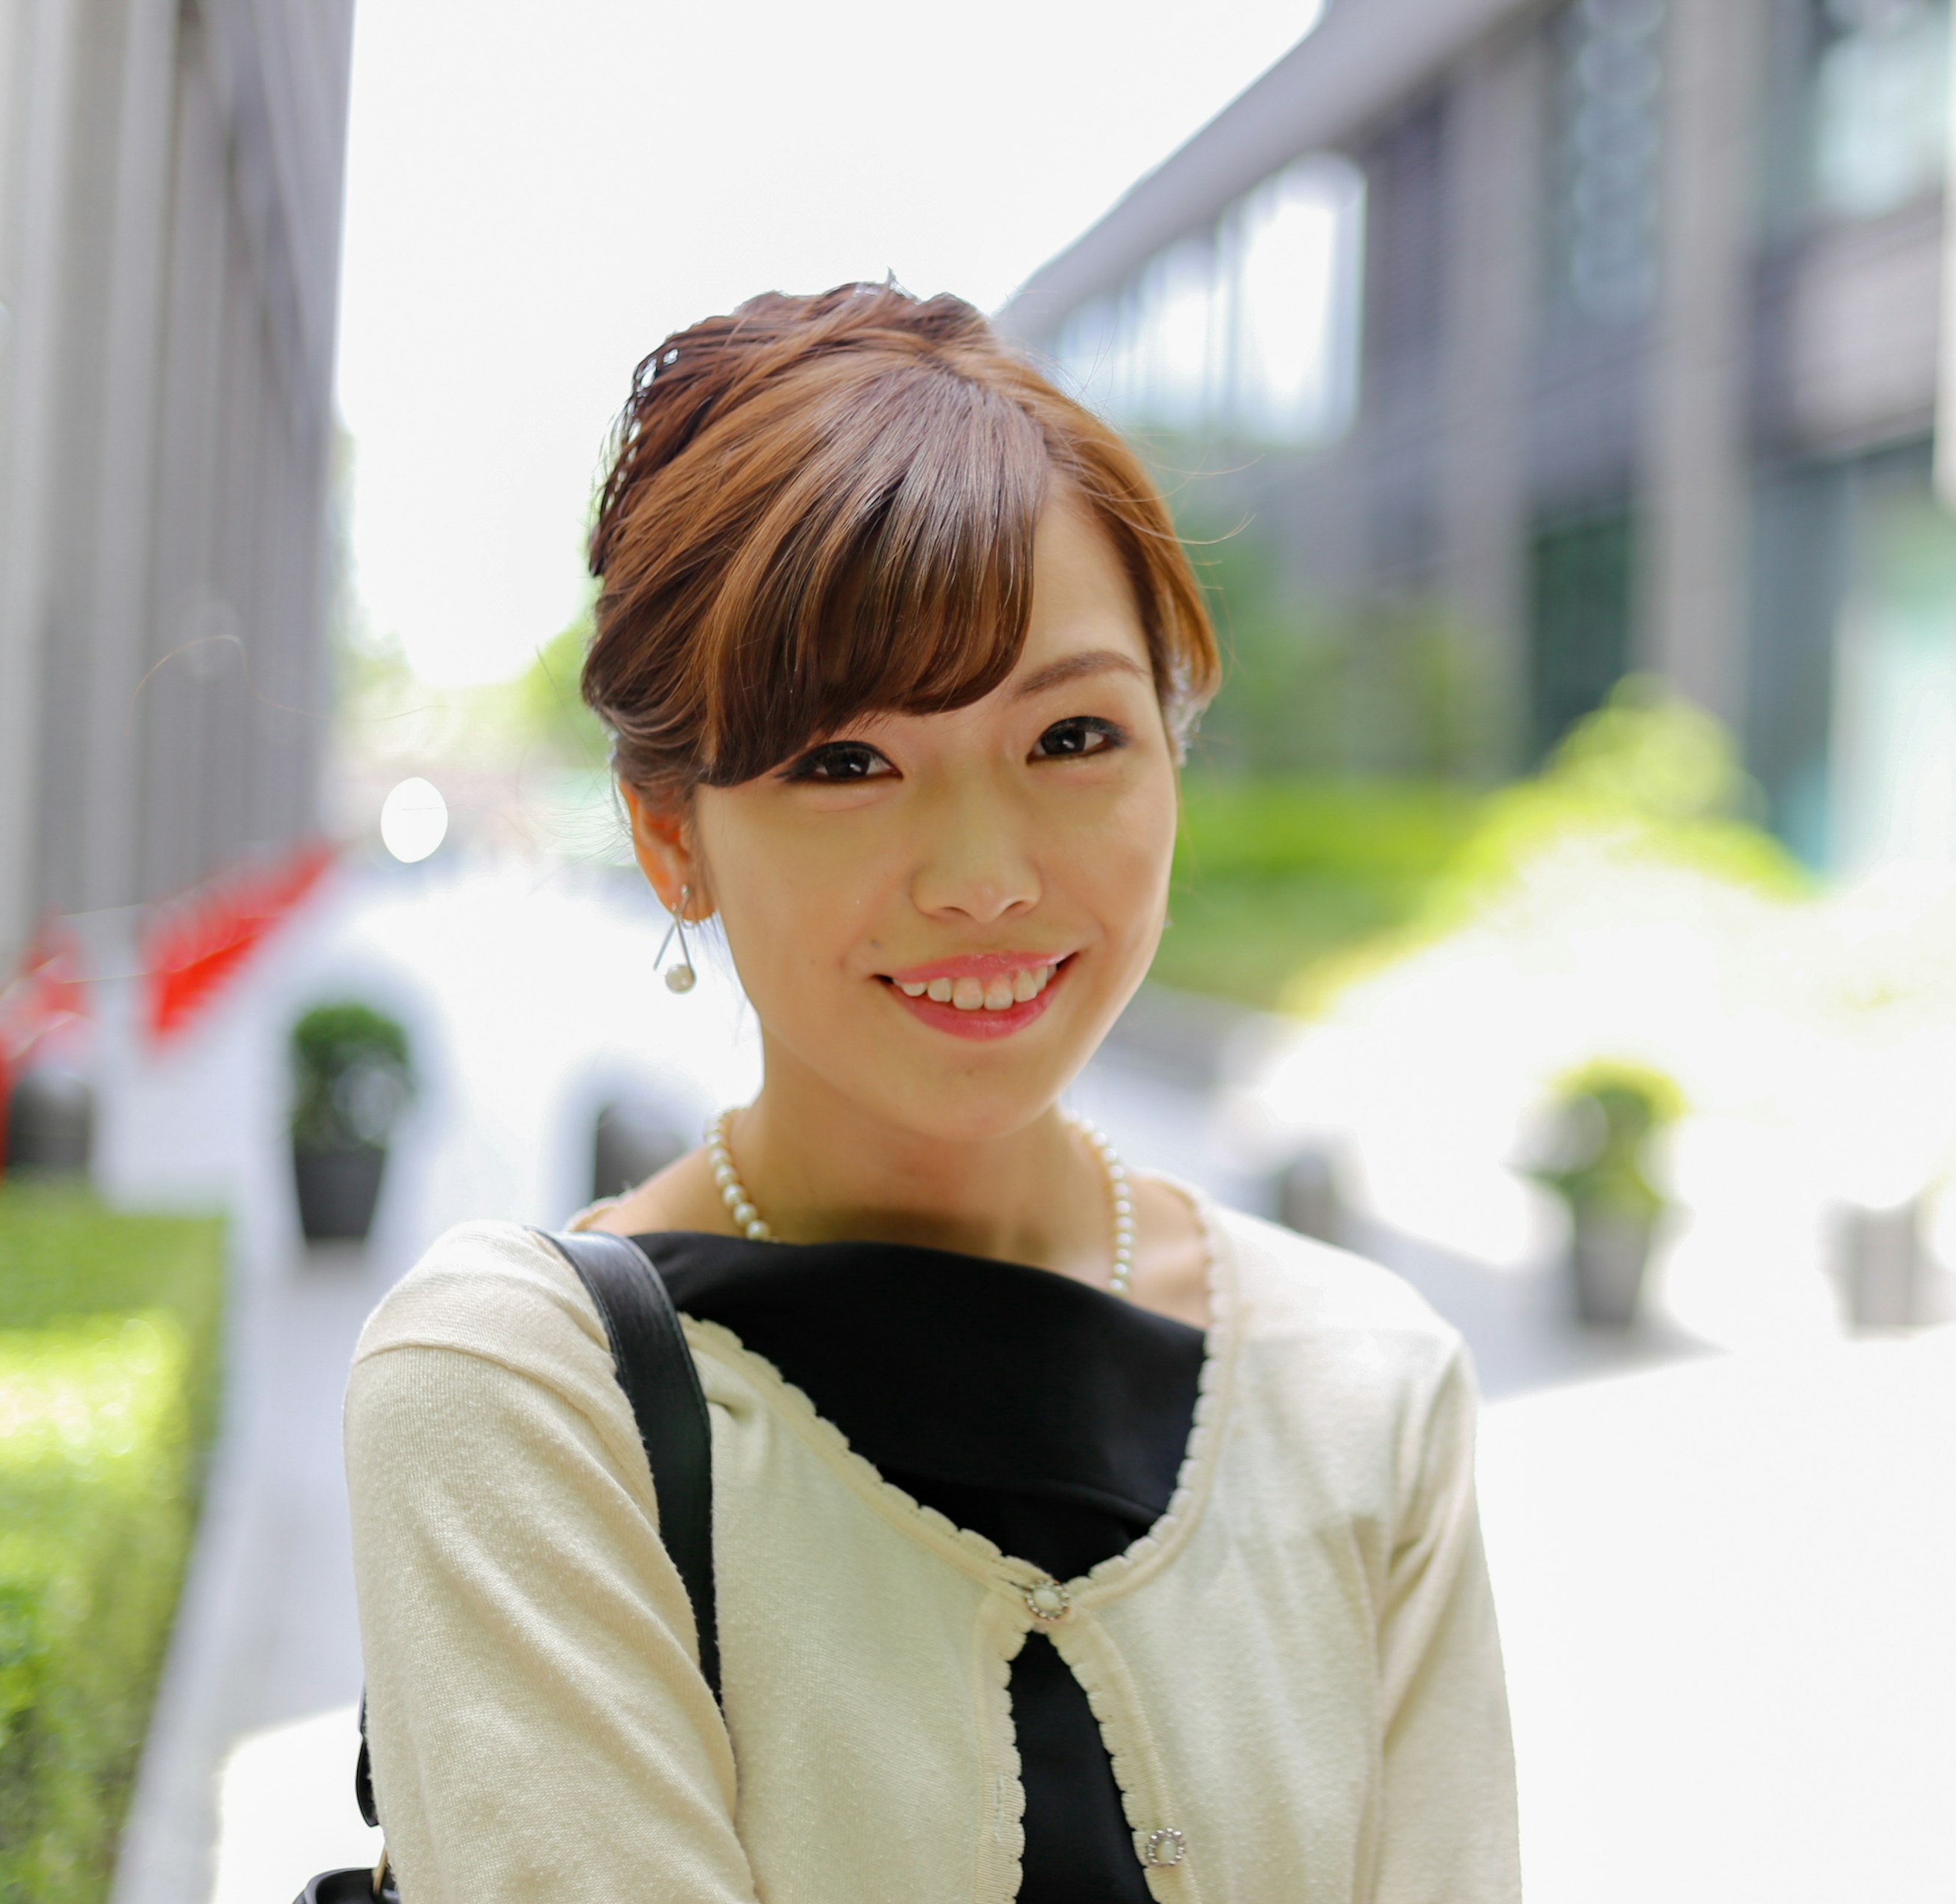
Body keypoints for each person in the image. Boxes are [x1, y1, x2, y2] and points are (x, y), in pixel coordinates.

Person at [341, 284, 1520, 1904]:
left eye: (1076, 734)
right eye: (846, 759)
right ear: (673, 829)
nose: (983, 876)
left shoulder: (1366, 1388)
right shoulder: (524, 1392)